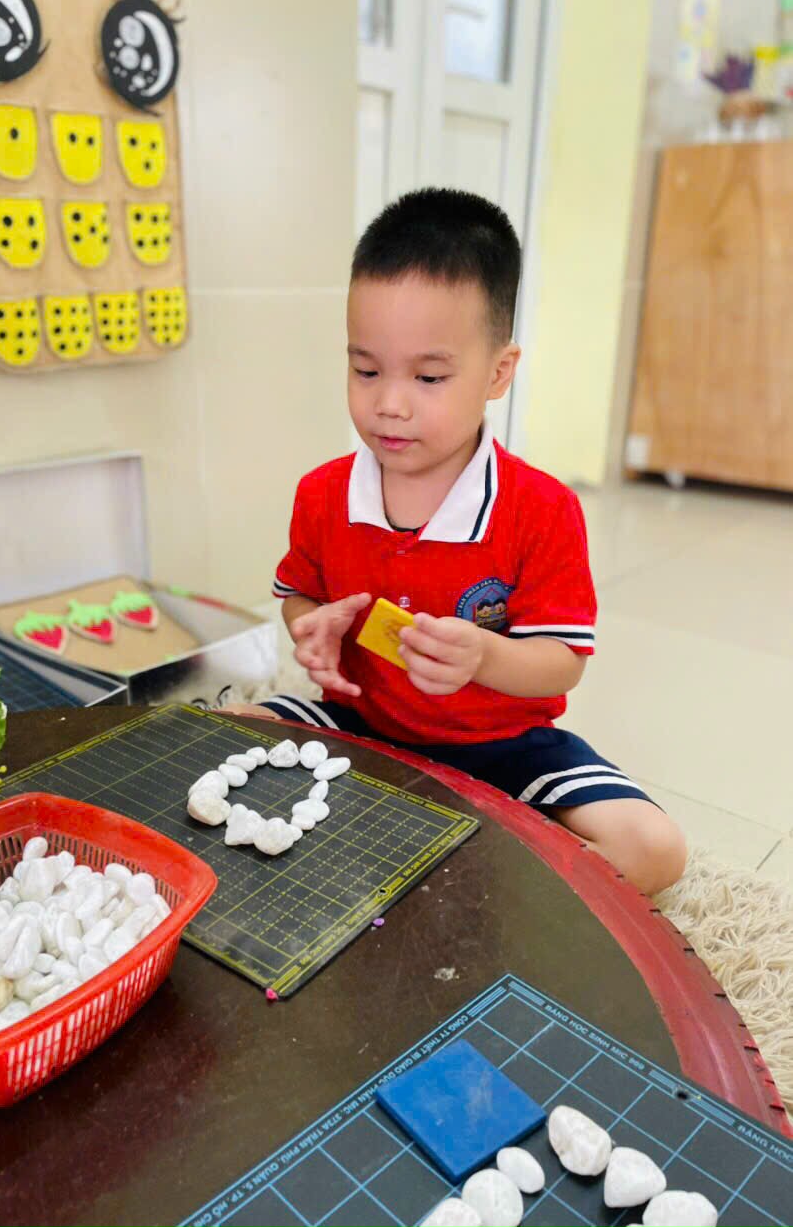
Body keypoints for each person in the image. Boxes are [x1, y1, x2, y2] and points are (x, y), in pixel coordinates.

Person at [231, 188, 686, 896]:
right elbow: (300, 597)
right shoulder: (323, 494)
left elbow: (563, 663)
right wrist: (310, 627)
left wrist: (484, 657)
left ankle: (464, 849)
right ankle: (422, 835)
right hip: (364, 725)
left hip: (504, 748)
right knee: (222, 735)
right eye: (366, 369)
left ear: (498, 372)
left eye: (429, 377)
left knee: (654, 850)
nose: (390, 403)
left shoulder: (541, 509)